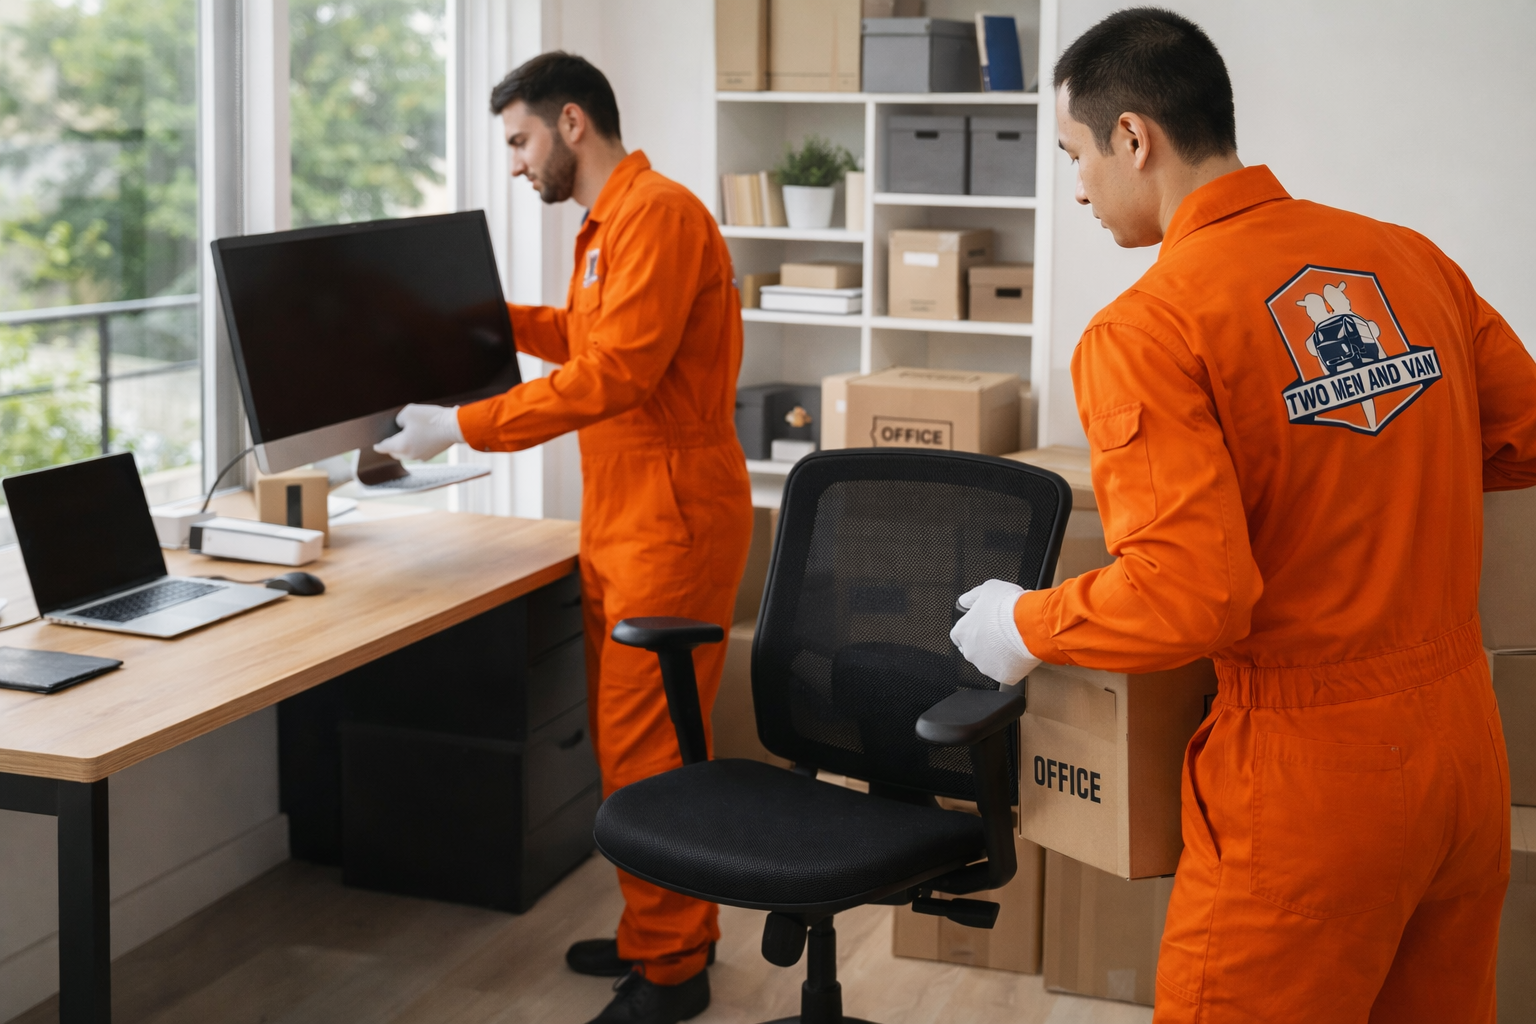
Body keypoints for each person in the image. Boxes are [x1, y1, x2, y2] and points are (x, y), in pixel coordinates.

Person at [950, 9, 1535, 1022]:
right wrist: (1378, 484)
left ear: (1135, 137)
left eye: (1076, 155)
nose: (1079, 185)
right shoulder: (1408, 260)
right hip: (1462, 750)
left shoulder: (1149, 326)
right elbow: (1522, 436)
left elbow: (1191, 599)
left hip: (1308, 787)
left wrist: (1023, 623)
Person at [377, 51, 751, 1024]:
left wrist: (461, 423)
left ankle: (673, 972)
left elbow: (613, 376)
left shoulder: (658, 215)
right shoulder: (606, 227)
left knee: (648, 751)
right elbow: (589, 336)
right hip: (625, 514)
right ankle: (658, 933)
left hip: (668, 515)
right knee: (634, 745)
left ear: (571, 123)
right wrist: (478, 323)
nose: (513, 164)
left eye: (518, 140)